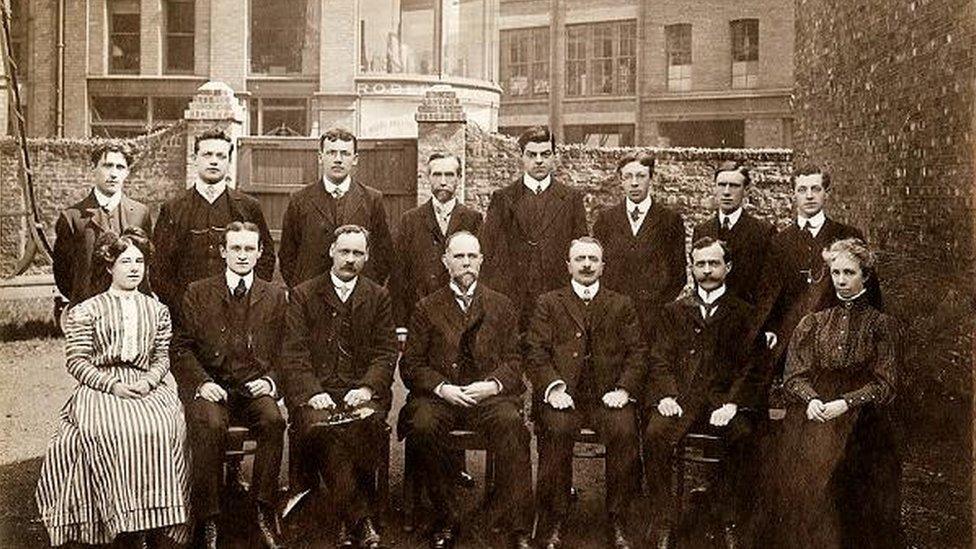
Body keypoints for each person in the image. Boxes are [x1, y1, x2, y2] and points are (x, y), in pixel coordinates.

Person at [35, 227, 190, 547]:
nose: (134, 268)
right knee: (109, 430)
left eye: (139, 262)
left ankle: (154, 521)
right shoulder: (86, 311)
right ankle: (120, 523)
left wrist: (150, 380)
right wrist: (113, 386)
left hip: (149, 383)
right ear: (109, 267)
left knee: (162, 428)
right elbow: (77, 362)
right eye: (125, 261)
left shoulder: (157, 310)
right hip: (103, 385)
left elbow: (162, 357)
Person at [759, 238, 900, 548]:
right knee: (798, 481)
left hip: (863, 420)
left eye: (849, 273)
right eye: (835, 272)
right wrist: (811, 399)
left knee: (853, 490)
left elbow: (886, 384)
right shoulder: (814, 322)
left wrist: (845, 403)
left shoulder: (880, 325)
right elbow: (794, 374)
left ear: (865, 275)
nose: (841, 280)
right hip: (815, 413)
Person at [398, 231, 534, 549]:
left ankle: (516, 524)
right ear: (446, 262)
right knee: (422, 425)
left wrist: (491, 385)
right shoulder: (426, 307)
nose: (466, 263)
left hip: (487, 397)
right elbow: (412, 365)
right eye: (459, 257)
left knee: (512, 425)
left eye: (472, 256)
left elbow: (516, 361)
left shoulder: (502, 305)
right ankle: (446, 516)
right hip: (440, 398)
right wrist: (442, 388)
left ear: (482, 261)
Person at [643, 237, 764, 549]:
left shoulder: (744, 313)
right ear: (691, 267)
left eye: (714, 263)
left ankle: (728, 520)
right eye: (700, 264)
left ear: (728, 267)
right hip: (680, 402)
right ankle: (665, 520)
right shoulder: (674, 312)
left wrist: (733, 404)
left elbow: (750, 367)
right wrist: (666, 396)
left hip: (721, 404)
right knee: (655, 436)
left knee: (742, 438)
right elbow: (659, 359)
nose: (707, 270)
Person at [172, 221, 287, 549]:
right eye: (235, 248)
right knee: (209, 424)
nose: (242, 255)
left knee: (273, 421)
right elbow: (181, 347)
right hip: (213, 386)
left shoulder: (275, 295)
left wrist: (270, 382)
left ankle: (261, 509)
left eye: (249, 248)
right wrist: (202, 383)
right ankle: (208, 517)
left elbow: (287, 350)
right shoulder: (198, 291)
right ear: (223, 252)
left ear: (260, 252)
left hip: (253, 387)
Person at [281, 224, 396, 549]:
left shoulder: (378, 296)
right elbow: (294, 352)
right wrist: (312, 392)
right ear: (331, 251)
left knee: (365, 423)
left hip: (360, 391)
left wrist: (368, 388)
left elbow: (385, 352)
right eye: (344, 251)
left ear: (367, 256)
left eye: (358, 253)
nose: (350, 259)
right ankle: (359, 519)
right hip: (315, 393)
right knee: (322, 428)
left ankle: (348, 521)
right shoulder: (304, 294)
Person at [526, 237, 645, 549]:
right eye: (580, 259)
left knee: (624, 430)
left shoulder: (621, 304)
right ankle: (555, 516)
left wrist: (623, 389)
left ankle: (618, 517)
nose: (587, 265)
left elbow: (637, 354)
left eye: (593, 259)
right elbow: (535, 352)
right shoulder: (549, 302)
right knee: (556, 428)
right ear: (568, 265)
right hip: (564, 395)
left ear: (603, 266)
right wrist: (553, 387)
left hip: (608, 396)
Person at [751, 165, 882, 395]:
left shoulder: (848, 235)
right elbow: (768, 292)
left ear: (826, 193)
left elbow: (869, 290)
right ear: (793, 194)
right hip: (794, 341)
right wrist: (770, 328)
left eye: (816, 188)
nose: (809, 195)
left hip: (840, 341)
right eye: (802, 189)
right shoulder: (780, 242)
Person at [151, 129, 275, 325]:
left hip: (239, 313)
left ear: (229, 161)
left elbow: (265, 256)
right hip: (187, 315)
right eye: (207, 154)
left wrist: (247, 297)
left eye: (221, 156)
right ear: (195, 158)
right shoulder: (174, 208)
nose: (214, 161)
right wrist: (180, 305)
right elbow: (159, 266)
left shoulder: (248, 206)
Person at [480, 126, 587, 333]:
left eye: (545, 154)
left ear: (554, 157)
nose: (539, 160)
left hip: (558, 300)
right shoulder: (503, 198)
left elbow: (580, 254)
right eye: (532, 154)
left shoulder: (571, 199)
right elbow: (490, 253)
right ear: (522, 157)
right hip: (514, 302)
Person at [278, 127, 395, 288]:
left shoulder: (372, 199)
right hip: (311, 298)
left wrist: (369, 290)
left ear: (355, 159)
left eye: (345, 153)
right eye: (332, 153)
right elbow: (287, 254)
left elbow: (384, 253)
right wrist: (301, 289)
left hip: (358, 297)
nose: (338, 159)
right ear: (320, 157)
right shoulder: (299, 200)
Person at [592, 152, 686, 346]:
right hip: (614, 317)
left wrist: (659, 307)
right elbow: (599, 270)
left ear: (652, 178)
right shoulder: (606, 220)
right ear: (621, 180)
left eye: (641, 176)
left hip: (654, 319)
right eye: (628, 176)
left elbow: (678, 274)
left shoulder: (669, 220)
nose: (634, 183)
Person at [390, 152, 483, 331]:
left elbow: (480, 273)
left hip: (461, 318)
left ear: (459, 178)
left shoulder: (474, 220)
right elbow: (398, 276)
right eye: (437, 175)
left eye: (449, 175)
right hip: (419, 317)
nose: (442, 181)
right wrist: (400, 325)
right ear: (428, 178)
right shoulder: (410, 220)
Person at [53, 143, 153, 306]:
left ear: (127, 172)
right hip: (88, 308)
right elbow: (63, 273)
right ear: (94, 168)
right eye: (107, 166)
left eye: (120, 167)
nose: (113, 173)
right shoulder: (73, 217)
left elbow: (148, 266)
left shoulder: (141, 213)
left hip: (133, 308)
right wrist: (82, 299)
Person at [691, 161, 775, 307]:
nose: (727, 192)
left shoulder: (763, 232)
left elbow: (769, 288)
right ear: (714, 188)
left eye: (734, 186)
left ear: (746, 190)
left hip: (748, 321)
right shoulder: (702, 230)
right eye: (722, 185)